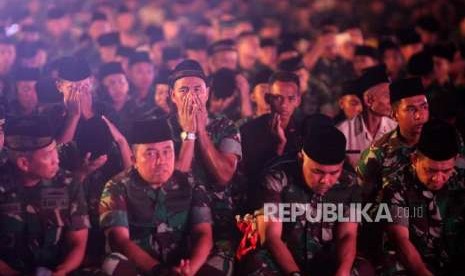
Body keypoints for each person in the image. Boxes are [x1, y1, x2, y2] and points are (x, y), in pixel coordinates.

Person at [242, 126, 373, 276]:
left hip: (327, 260)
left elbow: (347, 235)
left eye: (334, 173)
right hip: (285, 259)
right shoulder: (277, 179)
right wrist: (294, 274)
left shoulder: (349, 184)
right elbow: (271, 237)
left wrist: (342, 272)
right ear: (301, 159)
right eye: (317, 171)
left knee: (363, 269)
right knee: (257, 264)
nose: (325, 180)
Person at [99, 118, 215, 275]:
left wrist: (189, 270)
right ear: (134, 160)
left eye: (167, 151)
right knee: (112, 262)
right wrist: (161, 272)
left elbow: (204, 233)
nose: (161, 161)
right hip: (143, 268)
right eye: (151, 153)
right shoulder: (117, 187)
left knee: (223, 255)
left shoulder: (190, 183)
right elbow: (120, 241)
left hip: (184, 266)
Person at [167, 59, 242, 275]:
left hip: (219, 225)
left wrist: (200, 131)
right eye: (184, 90)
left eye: (198, 89)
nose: (192, 96)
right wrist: (187, 132)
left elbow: (224, 176)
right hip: (173, 223)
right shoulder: (162, 128)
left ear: (207, 92)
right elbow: (170, 180)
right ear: (173, 95)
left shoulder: (225, 126)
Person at [0, 116, 89, 275]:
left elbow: (78, 242)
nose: (57, 160)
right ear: (24, 163)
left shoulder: (68, 184)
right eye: (48, 155)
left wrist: (63, 270)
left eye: (56, 150)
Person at [382, 119, 465, 275]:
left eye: (446, 171)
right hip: (416, 263)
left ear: (455, 161)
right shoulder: (397, 186)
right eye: (430, 170)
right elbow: (400, 239)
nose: (438, 178)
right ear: (415, 160)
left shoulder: (461, 181)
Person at [357, 77, 429, 202]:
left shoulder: (448, 140)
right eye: (411, 109)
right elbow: (362, 202)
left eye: (424, 107)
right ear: (394, 115)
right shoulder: (376, 154)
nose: (420, 116)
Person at [241, 71, 303, 211]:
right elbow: (254, 177)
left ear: (298, 100)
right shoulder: (249, 130)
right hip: (260, 205)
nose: (284, 105)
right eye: (278, 98)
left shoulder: (304, 130)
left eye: (290, 98)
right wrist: (279, 146)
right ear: (268, 98)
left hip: (297, 204)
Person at [337, 65, 397, 168]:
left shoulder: (396, 129)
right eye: (387, 96)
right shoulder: (342, 132)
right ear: (369, 101)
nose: (392, 101)